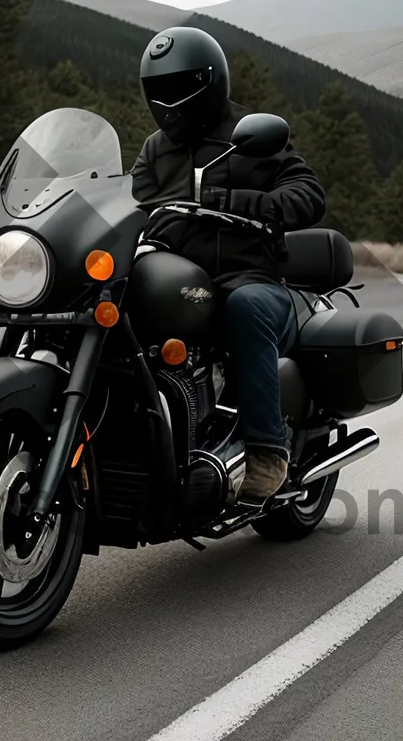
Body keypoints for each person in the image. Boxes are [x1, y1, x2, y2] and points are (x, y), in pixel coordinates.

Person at [130, 27, 326, 501]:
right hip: (179, 282)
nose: (170, 99)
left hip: (251, 281)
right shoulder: (156, 148)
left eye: (181, 86)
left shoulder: (252, 136)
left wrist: (237, 203)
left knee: (246, 307)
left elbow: (308, 195)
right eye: (161, 89)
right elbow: (133, 198)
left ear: (210, 81)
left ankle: (266, 452)